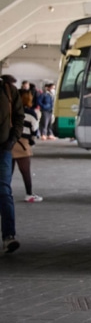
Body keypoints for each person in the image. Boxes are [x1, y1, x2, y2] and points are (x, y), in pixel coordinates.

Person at [0, 75, 22, 252]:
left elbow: (19, 116)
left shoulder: (8, 90)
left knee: (4, 191)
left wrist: (12, 139)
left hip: (3, 148)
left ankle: (8, 236)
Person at [13, 91, 40, 203]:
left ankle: (5, 193)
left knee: (6, 172)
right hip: (22, 144)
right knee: (25, 171)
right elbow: (34, 130)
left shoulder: (10, 111)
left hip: (8, 142)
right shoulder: (30, 113)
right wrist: (31, 142)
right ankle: (29, 194)